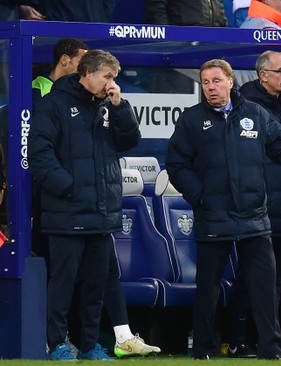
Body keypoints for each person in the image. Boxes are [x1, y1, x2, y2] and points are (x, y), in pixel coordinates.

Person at [165, 58, 281, 360]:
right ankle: (203, 348)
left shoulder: (255, 114)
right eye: (206, 82)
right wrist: (201, 196)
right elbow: (177, 165)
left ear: (230, 81)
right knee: (207, 287)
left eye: (216, 80)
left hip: (253, 216)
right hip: (214, 215)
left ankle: (270, 346)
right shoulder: (191, 120)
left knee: (264, 285)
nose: (211, 87)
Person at [31, 39, 160, 359]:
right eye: (107, 76)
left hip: (102, 213)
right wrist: (69, 188)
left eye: (115, 77)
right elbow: (39, 154)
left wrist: (121, 108)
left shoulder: (108, 107)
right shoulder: (54, 105)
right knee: (61, 285)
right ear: (86, 74)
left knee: (94, 286)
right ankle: (56, 343)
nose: (111, 83)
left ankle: (90, 345)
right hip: (67, 211)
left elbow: (129, 140)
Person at [227, 50, 281, 358]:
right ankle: (238, 340)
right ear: (262, 75)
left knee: (275, 279)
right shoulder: (245, 109)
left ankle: (269, 341)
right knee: (249, 275)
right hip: (258, 207)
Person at [145, 0, 227, 27]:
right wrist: (166, 39)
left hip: (214, 41)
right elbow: (157, 7)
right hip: (183, 42)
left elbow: (219, 7)